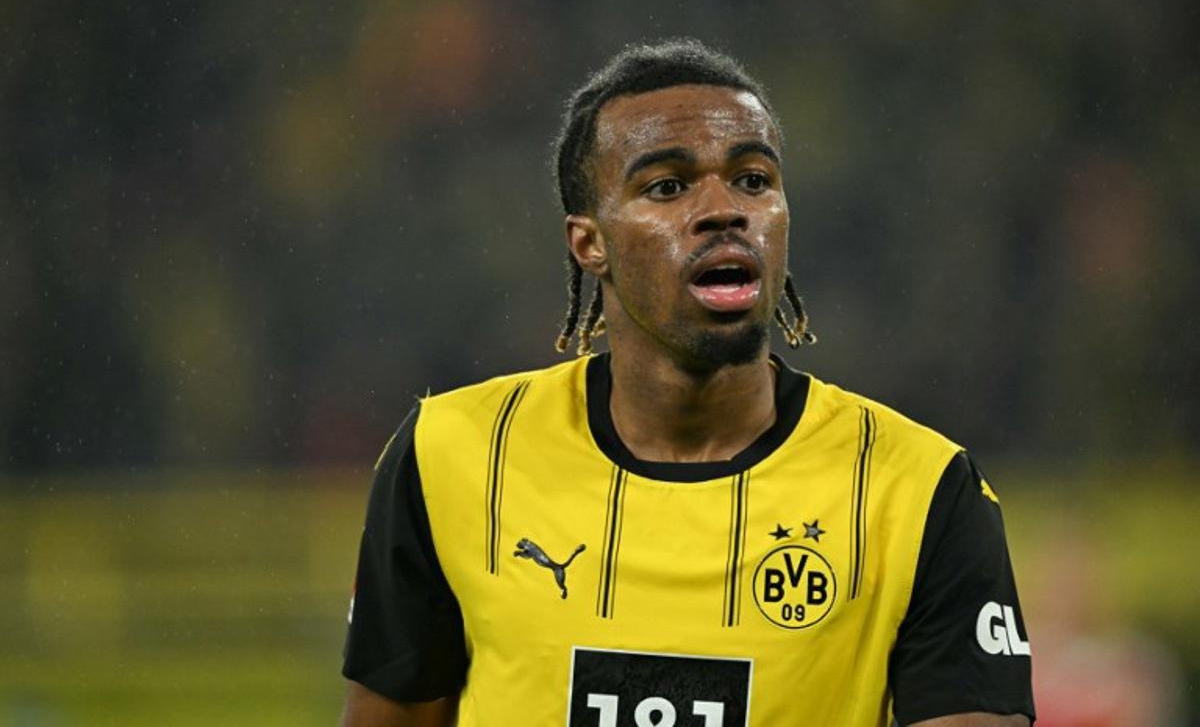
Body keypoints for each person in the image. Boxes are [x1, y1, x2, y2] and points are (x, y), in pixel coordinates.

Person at [339, 39, 1036, 727]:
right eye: (667, 186)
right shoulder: (451, 456)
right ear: (590, 243)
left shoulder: (917, 491)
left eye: (754, 179)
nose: (724, 209)